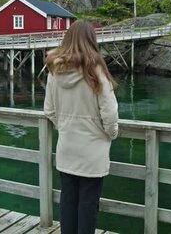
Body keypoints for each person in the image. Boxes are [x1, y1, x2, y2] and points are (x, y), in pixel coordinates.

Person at [44, 20, 119, 234]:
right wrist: (110, 134)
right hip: (92, 150)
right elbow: (110, 112)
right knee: (88, 204)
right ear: (91, 40)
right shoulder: (96, 69)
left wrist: (66, 126)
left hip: (67, 147)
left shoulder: (54, 69)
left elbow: (49, 110)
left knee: (68, 201)